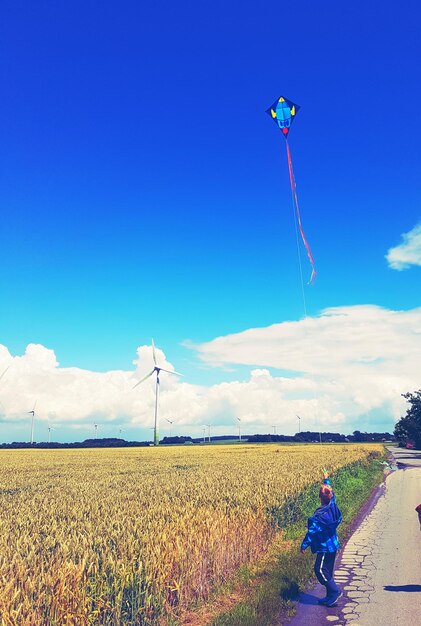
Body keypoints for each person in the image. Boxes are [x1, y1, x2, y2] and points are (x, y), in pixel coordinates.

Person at [300, 469, 343, 606]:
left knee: (319, 570)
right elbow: (331, 493)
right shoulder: (333, 506)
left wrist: (304, 545)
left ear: (320, 498)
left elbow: (312, 532)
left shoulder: (318, 517)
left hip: (325, 547)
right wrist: (326, 479)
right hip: (333, 545)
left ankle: (335, 591)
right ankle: (330, 597)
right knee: (328, 571)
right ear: (330, 496)